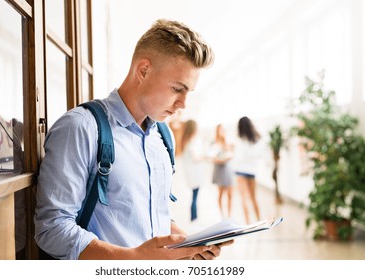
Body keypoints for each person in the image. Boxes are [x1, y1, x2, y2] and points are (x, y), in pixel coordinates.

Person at [34, 19, 233, 260]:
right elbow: (52, 229)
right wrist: (134, 258)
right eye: (177, 89)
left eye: (188, 92)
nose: (183, 104)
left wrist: (184, 245)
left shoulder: (163, 136)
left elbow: (147, 215)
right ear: (144, 70)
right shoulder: (80, 128)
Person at [233, 116, 262, 224]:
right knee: (254, 197)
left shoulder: (239, 139)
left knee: (244, 198)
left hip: (240, 171)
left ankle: (248, 223)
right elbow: (258, 155)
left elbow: (238, 157)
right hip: (252, 171)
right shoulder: (255, 139)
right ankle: (259, 221)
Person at [179, 119, 205, 222]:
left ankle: (194, 216)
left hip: (190, 174)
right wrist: (206, 156)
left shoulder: (185, 141)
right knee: (195, 197)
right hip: (194, 175)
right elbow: (196, 158)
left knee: (194, 196)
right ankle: (194, 217)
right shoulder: (190, 143)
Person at [211, 124, 234, 218]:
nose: (222, 132)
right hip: (219, 169)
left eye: (223, 130)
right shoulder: (214, 143)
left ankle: (229, 215)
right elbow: (213, 158)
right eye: (220, 130)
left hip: (228, 169)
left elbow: (231, 154)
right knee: (220, 193)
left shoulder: (227, 142)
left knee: (230, 194)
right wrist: (222, 159)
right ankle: (222, 215)